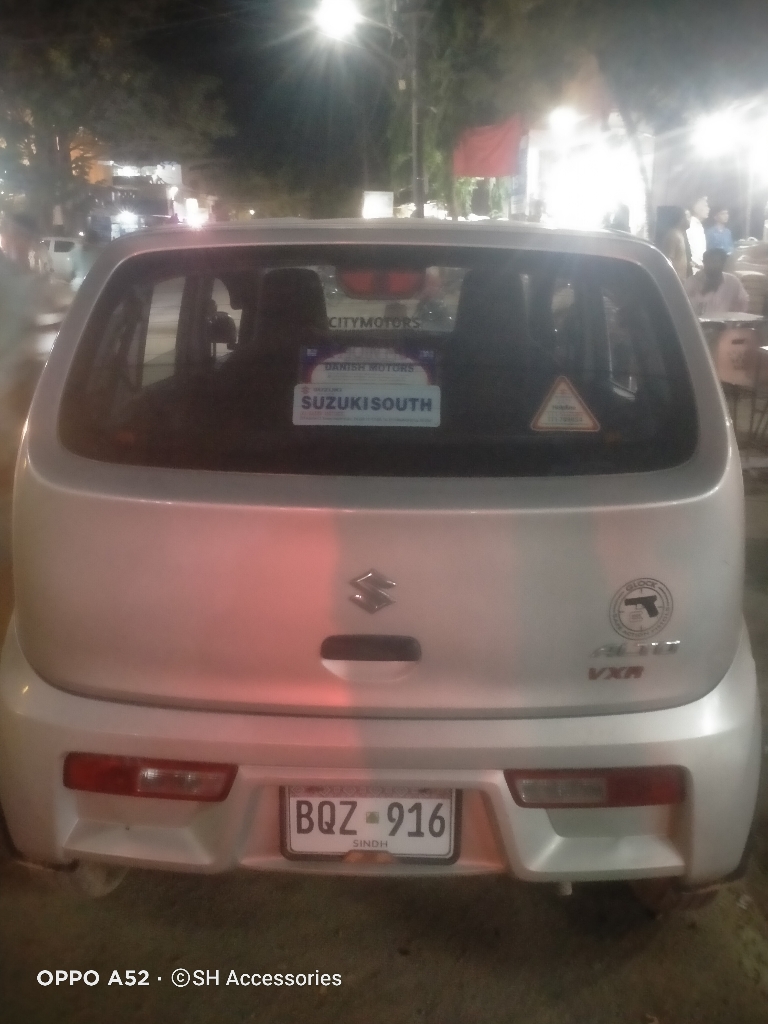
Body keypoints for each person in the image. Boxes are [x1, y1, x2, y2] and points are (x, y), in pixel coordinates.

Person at [684, 247, 749, 317]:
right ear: (704, 263)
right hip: (698, 322)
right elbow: (683, 306)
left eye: (715, 262)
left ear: (723, 263)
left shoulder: (732, 282)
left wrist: (731, 316)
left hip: (724, 322)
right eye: (708, 262)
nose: (711, 265)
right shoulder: (692, 282)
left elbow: (743, 303)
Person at [658, 207, 689, 282]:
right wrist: (674, 278)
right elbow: (668, 259)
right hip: (674, 279)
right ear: (681, 219)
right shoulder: (673, 235)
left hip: (680, 279)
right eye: (688, 217)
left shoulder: (680, 234)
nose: (689, 220)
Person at [687, 196, 709, 272]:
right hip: (692, 270)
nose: (708, 209)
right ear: (695, 208)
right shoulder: (690, 225)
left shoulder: (699, 226)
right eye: (705, 206)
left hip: (700, 269)